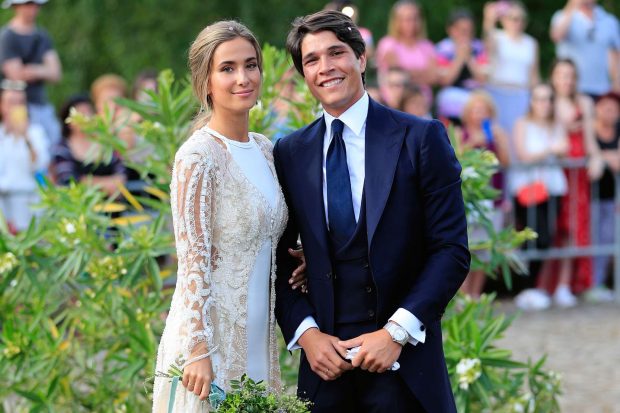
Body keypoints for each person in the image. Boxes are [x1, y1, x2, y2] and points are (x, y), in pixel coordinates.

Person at [275, 10, 470, 412]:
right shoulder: (290, 153)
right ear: (303, 75)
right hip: (325, 368)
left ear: (361, 59)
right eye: (312, 60)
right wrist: (307, 334)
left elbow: (451, 250)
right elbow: (275, 259)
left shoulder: (420, 138)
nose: (326, 68)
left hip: (404, 366)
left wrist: (396, 332)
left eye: (336, 53)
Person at [152, 21, 306, 412]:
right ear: (206, 82)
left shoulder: (267, 150)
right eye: (228, 68)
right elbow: (191, 261)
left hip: (259, 338)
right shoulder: (198, 157)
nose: (243, 78)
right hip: (209, 345)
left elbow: (272, 236)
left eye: (251, 65)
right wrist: (197, 349)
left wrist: (305, 259)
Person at [542, 58, 604, 306]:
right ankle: (551, 285)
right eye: (561, 74)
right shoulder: (548, 101)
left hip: (578, 173)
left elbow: (589, 138)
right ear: (553, 77)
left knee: (577, 228)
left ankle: (571, 284)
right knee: (559, 229)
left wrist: (596, 157)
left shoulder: (584, 102)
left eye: (570, 75)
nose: (566, 80)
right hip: (558, 172)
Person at [509, 83, 568, 311]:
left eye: (548, 99)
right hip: (528, 189)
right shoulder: (522, 124)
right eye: (539, 98)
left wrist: (551, 151)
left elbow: (563, 151)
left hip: (552, 187)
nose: (544, 104)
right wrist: (551, 150)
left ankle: (532, 287)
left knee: (547, 238)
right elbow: (524, 155)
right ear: (532, 101)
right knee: (534, 238)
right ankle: (525, 287)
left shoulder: (556, 125)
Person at [456, 91, 510, 298]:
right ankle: (463, 295)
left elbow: (505, 163)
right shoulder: (461, 133)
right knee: (467, 248)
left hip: (492, 198)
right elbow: (455, 159)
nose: (479, 114)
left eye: (484, 110)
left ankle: (476, 295)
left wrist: (500, 142)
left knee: (485, 249)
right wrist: (472, 143)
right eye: (476, 110)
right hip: (469, 199)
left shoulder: (496, 132)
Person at [0, 0, 61, 147]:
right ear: (16, 6)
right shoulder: (8, 37)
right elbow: (16, 75)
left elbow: (56, 73)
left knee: (51, 145)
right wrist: (42, 69)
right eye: (28, 4)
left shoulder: (42, 36)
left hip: (41, 105)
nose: (32, 9)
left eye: (35, 4)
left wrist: (30, 70)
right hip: (17, 107)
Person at [483, 0, 539, 142]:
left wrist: (537, 98)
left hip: (521, 95)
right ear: (504, 20)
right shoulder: (497, 36)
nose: (517, 22)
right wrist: (489, 20)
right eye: (513, 18)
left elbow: (534, 74)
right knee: (498, 135)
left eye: (521, 19)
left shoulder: (531, 43)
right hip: (497, 93)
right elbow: (487, 45)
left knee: (519, 136)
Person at [50, 94, 126, 195]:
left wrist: (88, 182)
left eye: (89, 111)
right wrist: (107, 184)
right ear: (69, 122)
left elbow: (122, 170)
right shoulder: (62, 148)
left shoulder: (106, 142)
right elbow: (68, 179)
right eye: (81, 113)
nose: (87, 116)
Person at [0, 79, 49, 233]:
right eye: (11, 102)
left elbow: (40, 165)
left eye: (20, 102)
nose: (16, 107)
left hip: (29, 201)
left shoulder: (36, 133)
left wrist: (26, 137)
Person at [587, 92, 620, 302]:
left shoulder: (617, 131)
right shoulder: (589, 130)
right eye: (606, 107)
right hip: (590, 196)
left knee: (608, 239)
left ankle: (602, 282)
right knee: (592, 240)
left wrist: (603, 157)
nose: (610, 112)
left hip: (612, 197)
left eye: (614, 109)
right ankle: (592, 283)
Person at [550, 0, 620, 99]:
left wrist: (616, 82)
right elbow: (556, 36)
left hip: (602, 89)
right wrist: (573, 4)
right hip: (570, 90)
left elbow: (616, 55)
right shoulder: (562, 16)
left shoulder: (609, 21)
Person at [375, 1, 436, 107]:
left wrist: (407, 72)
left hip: (422, 101)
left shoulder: (427, 46)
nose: (411, 23)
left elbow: (433, 77)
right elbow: (396, 76)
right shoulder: (388, 44)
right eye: (406, 19)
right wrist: (420, 74)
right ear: (397, 21)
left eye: (415, 18)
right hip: (394, 101)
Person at [435, 8, 488, 123]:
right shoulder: (442, 49)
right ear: (450, 30)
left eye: (469, 30)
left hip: (475, 98)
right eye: (461, 30)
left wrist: (469, 58)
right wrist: (459, 57)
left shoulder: (478, 47)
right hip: (451, 100)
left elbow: (483, 79)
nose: (465, 34)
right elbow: (445, 80)